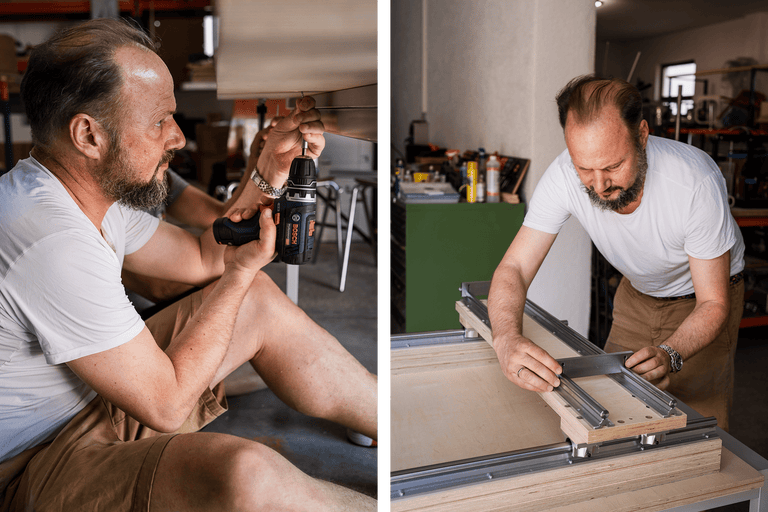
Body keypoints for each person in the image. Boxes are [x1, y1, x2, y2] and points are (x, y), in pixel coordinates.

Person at [0, 18, 377, 511]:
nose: (177, 137)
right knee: (244, 477)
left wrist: (270, 171)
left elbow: (203, 255)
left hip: (90, 398)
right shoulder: (49, 238)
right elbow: (167, 403)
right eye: (160, 121)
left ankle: (399, 419)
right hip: (33, 460)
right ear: (89, 135)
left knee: (256, 301)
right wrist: (239, 274)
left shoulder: (85, 194)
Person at [488, 74, 744, 431]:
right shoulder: (563, 175)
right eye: (584, 169)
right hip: (636, 294)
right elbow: (514, 267)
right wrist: (505, 339)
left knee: (697, 425)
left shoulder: (693, 182)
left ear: (642, 134)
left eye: (612, 166)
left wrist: (671, 354)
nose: (600, 185)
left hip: (700, 301)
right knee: (610, 408)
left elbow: (713, 303)